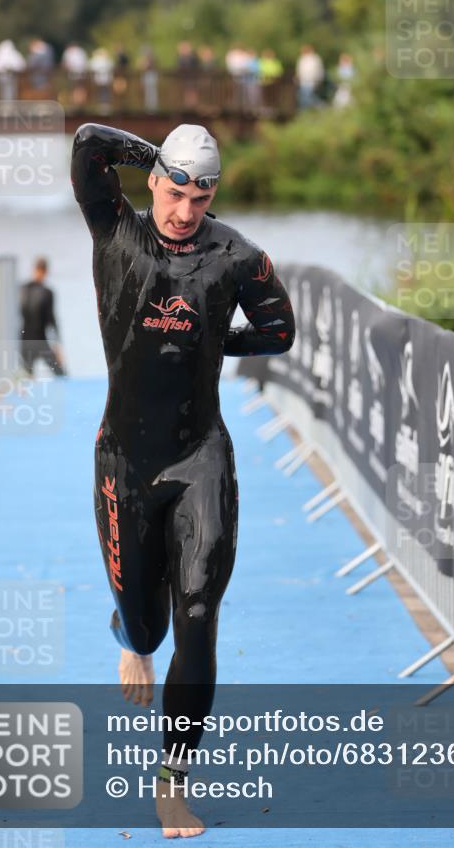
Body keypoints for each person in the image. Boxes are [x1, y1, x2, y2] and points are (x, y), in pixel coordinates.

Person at [70, 121, 295, 837]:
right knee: (148, 622)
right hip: (125, 462)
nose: (183, 212)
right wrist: (153, 152)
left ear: (213, 197)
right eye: (173, 193)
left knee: (197, 619)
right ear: (153, 184)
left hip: (200, 458)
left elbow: (280, 331)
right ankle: (130, 637)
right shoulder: (116, 233)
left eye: (199, 200)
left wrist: (214, 340)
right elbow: (85, 145)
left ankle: (172, 779)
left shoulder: (236, 256)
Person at [19, 257, 66, 376]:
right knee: (60, 374)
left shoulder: (23, 290)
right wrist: (57, 345)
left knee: (28, 376)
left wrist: (56, 345)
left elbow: (50, 320)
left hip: (31, 340)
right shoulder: (45, 292)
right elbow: (51, 320)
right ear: (45, 271)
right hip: (35, 341)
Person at [295, 43, 324, 109]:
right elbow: (299, 70)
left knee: (308, 97)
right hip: (303, 81)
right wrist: (297, 78)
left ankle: (321, 107)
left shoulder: (315, 59)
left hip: (312, 81)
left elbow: (319, 71)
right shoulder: (301, 59)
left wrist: (319, 81)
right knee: (304, 98)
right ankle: (310, 111)